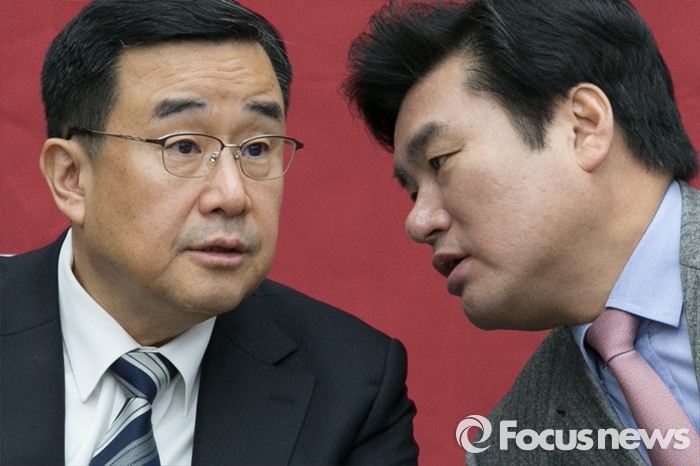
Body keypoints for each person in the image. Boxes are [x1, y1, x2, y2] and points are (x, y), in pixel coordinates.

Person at [0, 1, 419, 464]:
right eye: (183, 146)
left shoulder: (352, 386)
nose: (232, 196)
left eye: (256, 148)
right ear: (72, 178)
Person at [344, 0, 699, 464]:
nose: (418, 222)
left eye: (440, 161)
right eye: (412, 192)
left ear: (584, 126)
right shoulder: (507, 450)